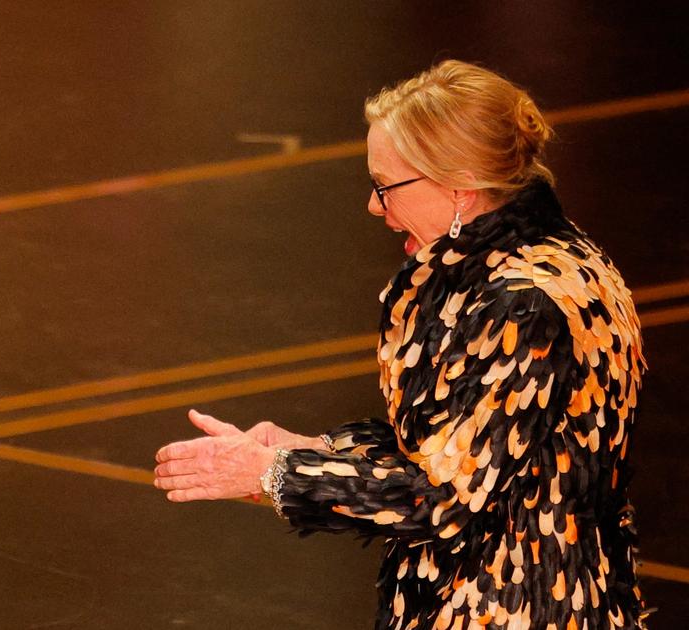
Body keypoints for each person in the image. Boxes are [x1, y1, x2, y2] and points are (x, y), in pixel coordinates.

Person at [154, 60, 648, 629]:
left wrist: (276, 472)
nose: (374, 205)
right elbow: (458, 445)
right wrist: (314, 449)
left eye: (386, 186)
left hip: (509, 609)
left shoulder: (522, 306)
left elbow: (443, 500)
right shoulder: (553, 258)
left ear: (459, 185)